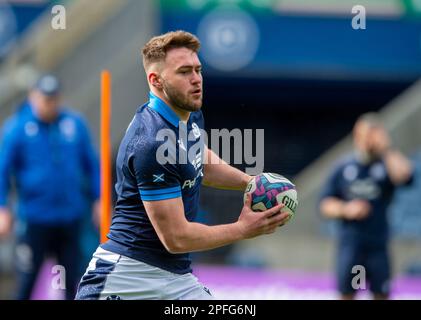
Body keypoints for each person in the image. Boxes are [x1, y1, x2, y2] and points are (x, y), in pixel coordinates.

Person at [75, 30, 291, 300]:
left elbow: (200, 159)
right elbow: (176, 238)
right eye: (184, 72)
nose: (196, 80)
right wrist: (242, 229)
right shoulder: (150, 142)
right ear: (156, 80)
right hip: (126, 279)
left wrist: (249, 182)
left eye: (198, 70)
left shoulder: (189, 114)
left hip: (175, 277)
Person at [0, 74, 100, 300]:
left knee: (69, 280)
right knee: (27, 278)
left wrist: (99, 198)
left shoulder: (74, 124)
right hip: (34, 219)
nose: (49, 103)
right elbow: (3, 170)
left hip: (69, 218)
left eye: (53, 98)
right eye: (45, 98)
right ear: (33, 97)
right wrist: (3, 207)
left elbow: (92, 165)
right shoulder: (18, 128)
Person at [319, 112, 413, 300]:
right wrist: (346, 209)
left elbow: (405, 176)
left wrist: (386, 148)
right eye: (364, 134)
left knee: (381, 293)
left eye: (372, 134)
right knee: (347, 294)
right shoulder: (343, 167)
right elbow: (324, 204)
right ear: (356, 136)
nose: (368, 140)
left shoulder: (387, 165)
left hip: (378, 244)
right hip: (351, 245)